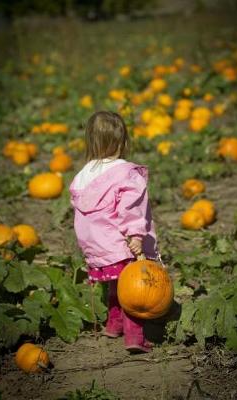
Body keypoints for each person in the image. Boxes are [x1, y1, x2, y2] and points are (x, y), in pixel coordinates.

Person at [69, 110, 158, 353]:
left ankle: (113, 325)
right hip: (120, 241)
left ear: (90, 142)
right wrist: (136, 235)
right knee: (132, 289)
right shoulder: (125, 173)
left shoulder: (82, 176)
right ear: (123, 141)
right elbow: (130, 208)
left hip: (96, 247)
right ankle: (134, 338)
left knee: (113, 285)